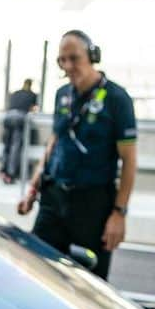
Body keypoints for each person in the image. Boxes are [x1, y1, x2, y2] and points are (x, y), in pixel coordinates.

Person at [17, 29, 137, 281]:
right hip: (54, 197)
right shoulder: (62, 94)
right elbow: (54, 141)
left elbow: (129, 160)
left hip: (93, 203)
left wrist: (119, 214)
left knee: (91, 285)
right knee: (39, 272)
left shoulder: (117, 98)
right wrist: (33, 186)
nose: (69, 66)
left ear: (92, 56)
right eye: (63, 60)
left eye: (75, 58)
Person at [0, 77, 38, 183]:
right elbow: (34, 110)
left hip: (8, 117)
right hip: (20, 118)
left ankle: (3, 169)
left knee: (6, 145)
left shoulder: (15, 93)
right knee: (15, 147)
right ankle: (10, 174)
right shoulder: (32, 95)